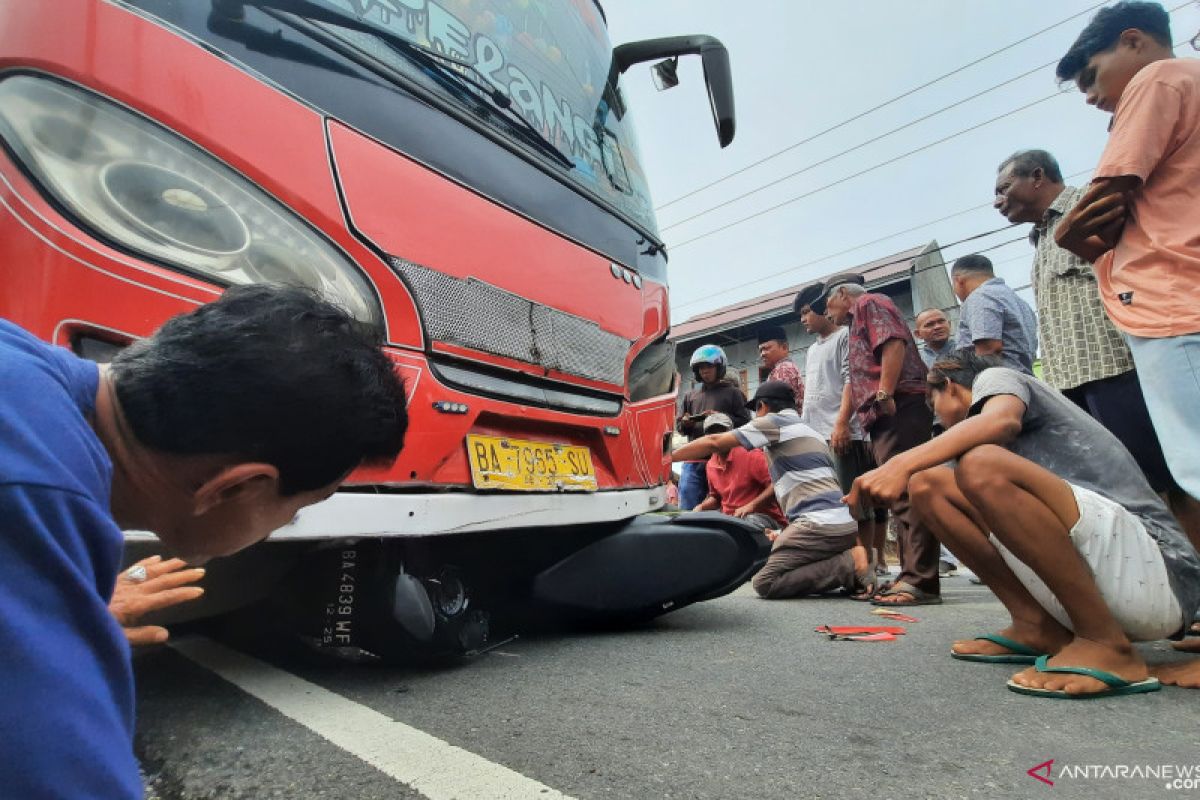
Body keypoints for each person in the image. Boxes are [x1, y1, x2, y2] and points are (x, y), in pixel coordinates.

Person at [0, 285, 409, 798]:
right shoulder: (33, 494)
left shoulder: (20, 367)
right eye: (298, 508)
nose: (285, 525)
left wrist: (61, 615)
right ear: (234, 486)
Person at [847, 350, 1200, 697]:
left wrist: (898, 463)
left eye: (933, 405)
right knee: (928, 484)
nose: (937, 421)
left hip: (1161, 575)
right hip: (1115, 582)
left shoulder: (1000, 378)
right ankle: (1037, 626)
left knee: (981, 464)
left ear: (950, 384)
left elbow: (1001, 420)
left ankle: (1106, 644)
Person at [993, 148, 1177, 497]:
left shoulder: (1090, 206)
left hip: (1116, 372)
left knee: (1161, 480)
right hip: (1071, 384)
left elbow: (1138, 277)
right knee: (1116, 488)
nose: (998, 202)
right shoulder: (1041, 236)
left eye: (1004, 189)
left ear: (1037, 177)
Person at [672, 381, 866, 599]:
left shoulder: (774, 424)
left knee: (765, 581)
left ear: (762, 406)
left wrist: (665, 457)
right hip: (843, 525)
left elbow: (715, 442)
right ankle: (848, 559)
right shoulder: (812, 433)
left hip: (815, 525)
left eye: (757, 411)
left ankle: (849, 565)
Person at [824, 277, 941, 605]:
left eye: (827, 306)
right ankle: (911, 576)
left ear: (843, 295)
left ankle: (921, 580)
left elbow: (892, 343)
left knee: (906, 491)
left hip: (897, 405)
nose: (828, 314)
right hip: (887, 412)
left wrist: (885, 391)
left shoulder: (869, 303)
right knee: (898, 494)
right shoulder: (859, 316)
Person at [794, 281, 888, 594]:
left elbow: (851, 380)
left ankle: (867, 568)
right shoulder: (811, 349)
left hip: (844, 433)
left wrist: (842, 424)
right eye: (801, 314)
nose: (804, 319)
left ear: (822, 309)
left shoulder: (844, 336)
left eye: (807, 312)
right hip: (818, 434)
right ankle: (854, 564)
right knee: (835, 503)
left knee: (855, 503)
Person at [913, 309, 962, 576]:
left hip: (965, 426)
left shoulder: (965, 350)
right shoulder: (916, 360)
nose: (936, 327)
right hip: (933, 431)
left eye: (941, 321)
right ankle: (946, 557)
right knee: (937, 489)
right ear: (918, 334)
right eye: (929, 324)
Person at [676, 344, 750, 510]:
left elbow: (746, 424)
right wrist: (686, 422)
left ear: (719, 367)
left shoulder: (733, 393)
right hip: (694, 461)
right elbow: (680, 427)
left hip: (724, 461)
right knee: (688, 507)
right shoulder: (690, 396)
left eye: (709, 366)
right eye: (700, 367)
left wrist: (721, 418)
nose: (704, 371)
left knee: (726, 506)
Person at [693, 413, 787, 532]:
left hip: (762, 518)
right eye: (712, 433)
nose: (717, 437)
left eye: (721, 432)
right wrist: (701, 507)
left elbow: (777, 484)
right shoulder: (710, 464)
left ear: (732, 433)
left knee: (748, 522)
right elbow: (715, 497)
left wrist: (751, 506)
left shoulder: (751, 455)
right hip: (731, 520)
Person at [950, 254, 1039, 375]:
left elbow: (989, 350)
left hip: (998, 381)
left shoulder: (980, 296)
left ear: (958, 280)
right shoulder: (1018, 301)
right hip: (1023, 376)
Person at [757, 325, 805, 411]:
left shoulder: (783, 369)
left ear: (784, 347)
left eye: (767, 348)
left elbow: (779, 409)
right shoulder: (785, 367)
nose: (762, 354)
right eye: (760, 350)